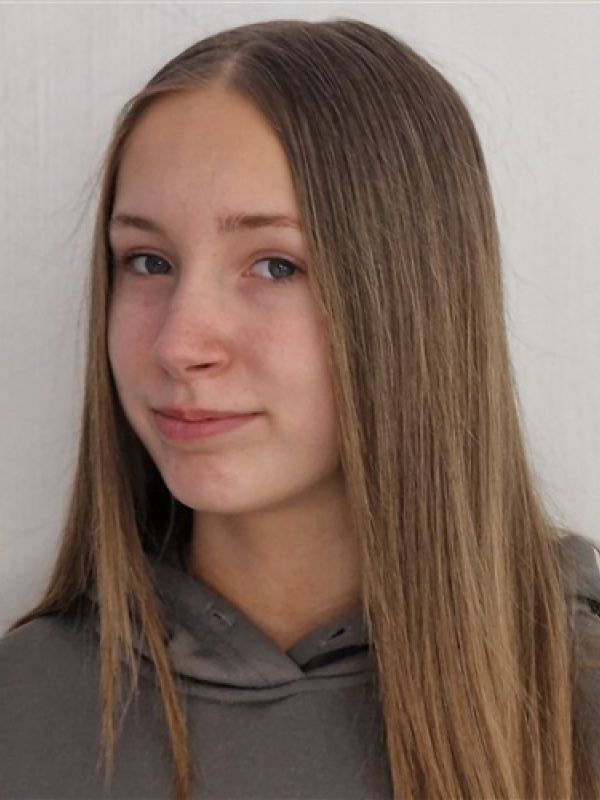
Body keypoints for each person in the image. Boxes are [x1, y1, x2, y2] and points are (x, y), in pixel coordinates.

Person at [1, 16, 599, 800]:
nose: (179, 344)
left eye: (276, 266)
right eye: (148, 261)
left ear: (414, 302)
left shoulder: (576, 706)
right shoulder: (23, 712)